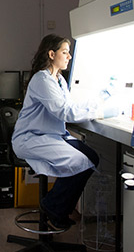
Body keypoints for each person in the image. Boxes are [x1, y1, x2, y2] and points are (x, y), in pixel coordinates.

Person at [12, 34, 117, 229]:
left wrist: (102, 96)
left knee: (91, 157)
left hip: (50, 135)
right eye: (65, 52)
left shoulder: (58, 79)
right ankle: (53, 206)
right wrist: (99, 109)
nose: (69, 57)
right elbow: (65, 111)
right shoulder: (42, 79)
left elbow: (68, 105)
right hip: (31, 138)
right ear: (52, 54)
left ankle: (57, 206)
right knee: (80, 163)